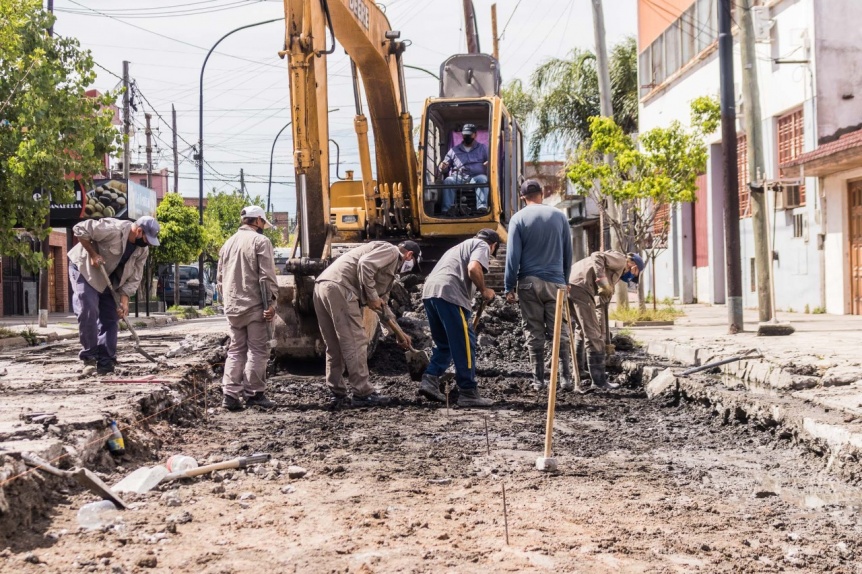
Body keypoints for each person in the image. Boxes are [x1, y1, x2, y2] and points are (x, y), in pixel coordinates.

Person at [313, 240, 420, 408]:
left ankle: (336, 391)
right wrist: (371, 296)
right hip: (342, 287)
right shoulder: (392, 252)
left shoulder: (387, 272)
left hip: (323, 285)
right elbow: (365, 265)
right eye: (412, 264)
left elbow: (382, 308)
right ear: (409, 255)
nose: (409, 269)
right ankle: (363, 393)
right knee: (356, 341)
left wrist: (399, 334)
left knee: (334, 344)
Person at [503, 179, 573, 392]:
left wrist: (509, 286)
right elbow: (568, 253)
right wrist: (565, 280)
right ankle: (566, 379)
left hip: (528, 284)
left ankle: (539, 381)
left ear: (523, 197)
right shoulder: (560, 217)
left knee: (534, 332)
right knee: (558, 331)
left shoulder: (518, 219)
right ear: (542, 193)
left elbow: (512, 257)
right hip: (556, 283)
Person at [68, 216, 160, 375]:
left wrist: (124, 301)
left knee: (111, 316)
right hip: (86, 270)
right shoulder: (113, 229)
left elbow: (135, 276)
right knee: (88, 309)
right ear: (139, 231)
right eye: (147, 239)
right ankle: (89, 358)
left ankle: (106, 362)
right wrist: (92, 253)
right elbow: (79, 229)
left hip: (110, 280)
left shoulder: (142, 250)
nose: (147, 244)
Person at [419, 229, 500, 408]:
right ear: (493, 245)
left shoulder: (456, 248)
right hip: (450, 293)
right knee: (464, 344)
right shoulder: (482, 245)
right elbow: (473, 268)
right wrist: (484, 290)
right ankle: (468, 391)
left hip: (430, 292)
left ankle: (430, 379)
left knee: (446, 344)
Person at [217, 206, 279, 411]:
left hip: (233, 308)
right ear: (259, 221)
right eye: (263, 223)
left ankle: (230, 395)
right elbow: (266, 277)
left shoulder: (227, 244)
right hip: (254, 307)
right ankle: (254, 394)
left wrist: (225, 304)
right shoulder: (261, 242)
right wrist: (270, 304)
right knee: (258, 350)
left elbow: (219, 279)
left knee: (235, 351)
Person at [568, 251, 644, 391]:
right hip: (581, 286)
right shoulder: (621, 260)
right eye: (635, 273)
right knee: (592, 334)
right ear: (633, 265)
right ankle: (599, 382)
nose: (631, 277)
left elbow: (601, 307)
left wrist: (606, 339)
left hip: (572, 284)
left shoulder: (613, 274)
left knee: (582, 329)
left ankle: (579, 371)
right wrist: (602, 281)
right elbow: (597, 255)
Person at [439, 124, 490, 215]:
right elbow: (444, 165)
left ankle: (482, 208)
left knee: (483, 179)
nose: (467, 137)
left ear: (475, 135)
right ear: (462, 135)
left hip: (476, 177)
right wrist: (443, 166)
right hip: (459, 177)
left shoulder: (483, 148)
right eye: (465, 134)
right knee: (448, 181)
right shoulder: (454, 150)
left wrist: (488, 164)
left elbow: (491, 162)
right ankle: (447, 210)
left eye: (469, 135)